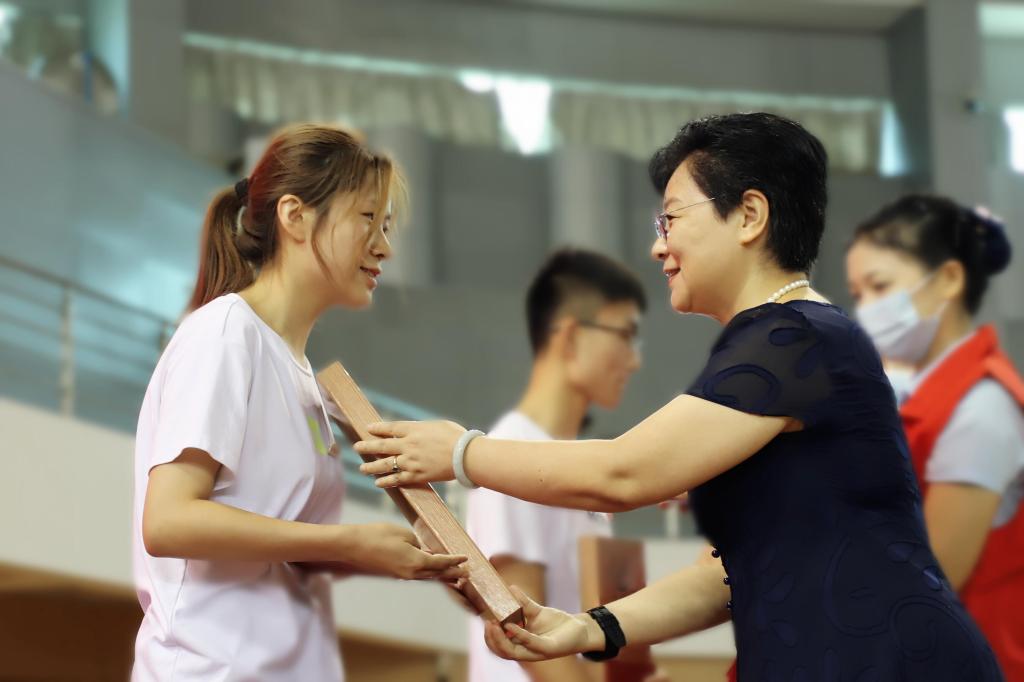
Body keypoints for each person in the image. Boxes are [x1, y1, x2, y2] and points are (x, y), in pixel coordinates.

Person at [355, 113, 1004, 681]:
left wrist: (462, 453)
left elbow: (623, 473)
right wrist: (590, 626)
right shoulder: (783, 342)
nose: (657, 244)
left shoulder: (794, 336)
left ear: (749, 215)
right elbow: (730, 571)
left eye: (670, 218)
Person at [131, 124, 466, 682]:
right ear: (295, 217)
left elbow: (281, 547)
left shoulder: (306, 377)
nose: (384, 247)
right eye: (368, 220)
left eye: (386, 227)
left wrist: (399, 556)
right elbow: (168, 521)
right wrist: (347, 543)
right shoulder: (225, 333)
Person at [847, 195, 1024, 681]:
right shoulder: (911, 394)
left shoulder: (983, 407)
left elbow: (930, 579)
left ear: (948, 279)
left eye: (880, 287)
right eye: (858, 293)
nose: (867, 309)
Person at [466, 248, 645, 682]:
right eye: (625, 335)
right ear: (570, 337)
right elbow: (526, 637)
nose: (634, 360)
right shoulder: (511, 451)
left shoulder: (573, 462)